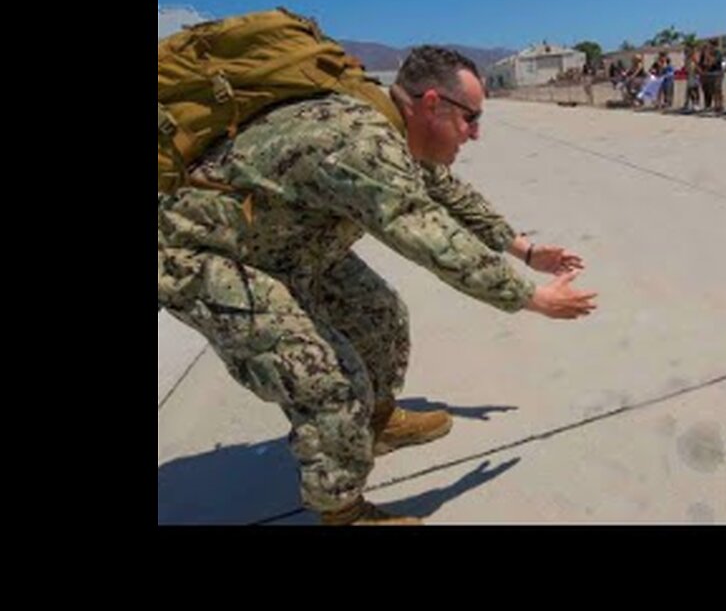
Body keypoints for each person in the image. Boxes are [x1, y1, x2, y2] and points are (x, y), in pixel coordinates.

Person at [157, 46, 598, 525]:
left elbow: (443, 189)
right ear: (433, 104)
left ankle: (376, 423)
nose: (475, 133)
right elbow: (423, 229)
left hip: (284, 245)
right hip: (205, 257)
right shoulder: (359, 140)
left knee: (379, 315)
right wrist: (531, 298)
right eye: (471, 118)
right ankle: (343, 511)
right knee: (328, 382)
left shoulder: (389, 124)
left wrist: (525, 250)